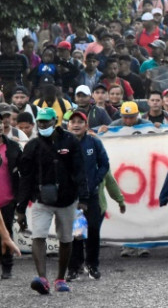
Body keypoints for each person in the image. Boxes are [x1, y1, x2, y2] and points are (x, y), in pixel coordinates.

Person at [15, 107, 88, 295]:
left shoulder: (70, 141)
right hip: (41, 200)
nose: (42, 125)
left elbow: (80, 170)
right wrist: (21, 208)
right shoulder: (32, 146)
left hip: (67, 200)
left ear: (55, 121)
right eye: (39, 121)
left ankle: (60, 278)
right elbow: (26, 177)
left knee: (66, 239)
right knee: (38, 236)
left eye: (46, 122)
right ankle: (43, 278)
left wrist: (83, 198)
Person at [66, 111, 110, 282]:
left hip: (91, 195)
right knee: (75, 232)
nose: (76, 125)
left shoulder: (94, 142)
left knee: (93, 229)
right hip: (72, 197)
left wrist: (96, 180)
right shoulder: (63, 144)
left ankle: (92, 264)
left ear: (86, 125)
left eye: (80, 122)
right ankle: (74, 267)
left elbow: (104, 164)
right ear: (68, 125)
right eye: (73, 122)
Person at [0, 128, 22, 279]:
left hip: (7, 197)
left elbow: (23, 170)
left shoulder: (12, 146)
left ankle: (7, 266)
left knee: (6, 232)